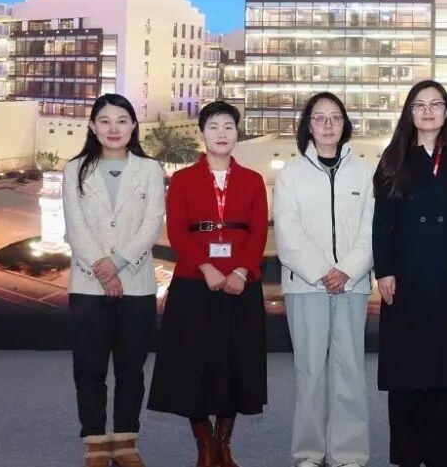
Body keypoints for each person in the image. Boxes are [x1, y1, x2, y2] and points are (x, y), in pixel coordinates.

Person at [148, 101, 269, 467]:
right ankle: (204, 444)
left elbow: (258, 231)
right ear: (202, 133)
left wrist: (241, 272)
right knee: (192, 363)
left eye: (229, 127)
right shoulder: (183, 179)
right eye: (214, 127)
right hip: (194, 282)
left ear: (237, 133)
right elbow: (177, 232)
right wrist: (205, 267)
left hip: (240, 284)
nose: (221, 133)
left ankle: (223, 444)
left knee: (235, 362)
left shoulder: (253, 180)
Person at [372, 79, 447, 467]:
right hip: (405, 279)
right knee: (404, 374)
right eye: (420, 105)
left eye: (436, 104)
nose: (428, 111)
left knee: (443, 374)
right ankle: (406, 456)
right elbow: (381, 221)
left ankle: (439, 457)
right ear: (409, 113)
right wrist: (384, 269)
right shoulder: (394, 157)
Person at [64, 93, 165, 467]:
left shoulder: (150, 169)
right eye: (104, 121)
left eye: (122, 121)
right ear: (92, 126)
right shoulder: (74, 169)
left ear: (133, 126)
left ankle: (125, 442)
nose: (113, 128)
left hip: (137, 284)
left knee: (130, 369)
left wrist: (118, 263)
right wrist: (102, 268)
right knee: (89, 368)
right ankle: (94, 441)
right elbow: (75, 226)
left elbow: (151, 224)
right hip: (87, 284)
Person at [274, 91, 375, 467]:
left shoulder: (365, 174)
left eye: (335, 117)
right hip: (306, 286)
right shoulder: (290, 176)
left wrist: (347, 270)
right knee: (310, 372)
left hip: (352, 284)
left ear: (345, 124)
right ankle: (309, 453)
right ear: (308, 125)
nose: (328, 124)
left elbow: (371, 230)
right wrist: (322, 272)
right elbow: (288, 233)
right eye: (320, 117)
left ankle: (349, 454)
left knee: (350, 369)